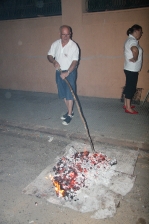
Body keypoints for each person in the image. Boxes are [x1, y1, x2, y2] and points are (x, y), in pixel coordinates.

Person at [47, 25, 79, 125]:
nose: (66, 36)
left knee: (69, 94)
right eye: (63, 34)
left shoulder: (74, 46)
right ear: (59, 34)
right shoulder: (55, 44)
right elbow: (49, 55)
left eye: (68, 34)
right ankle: (71, 111)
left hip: (70, 72)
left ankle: (69, 115)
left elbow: (74, 62)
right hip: (59, 72)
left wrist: (67, 72)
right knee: (63, 94)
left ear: (71, 34)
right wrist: (53, 61)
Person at [123, 24, 143, 114]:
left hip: (129, 68)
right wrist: (135, 58)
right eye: (140, 32)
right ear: (136, 31)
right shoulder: (132, 40)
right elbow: (135, 49)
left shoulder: (130, 39)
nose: (141, 34)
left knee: (128, 86)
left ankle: (126, 104)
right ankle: (128, 108)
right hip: (132, 69)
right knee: (131, 87)